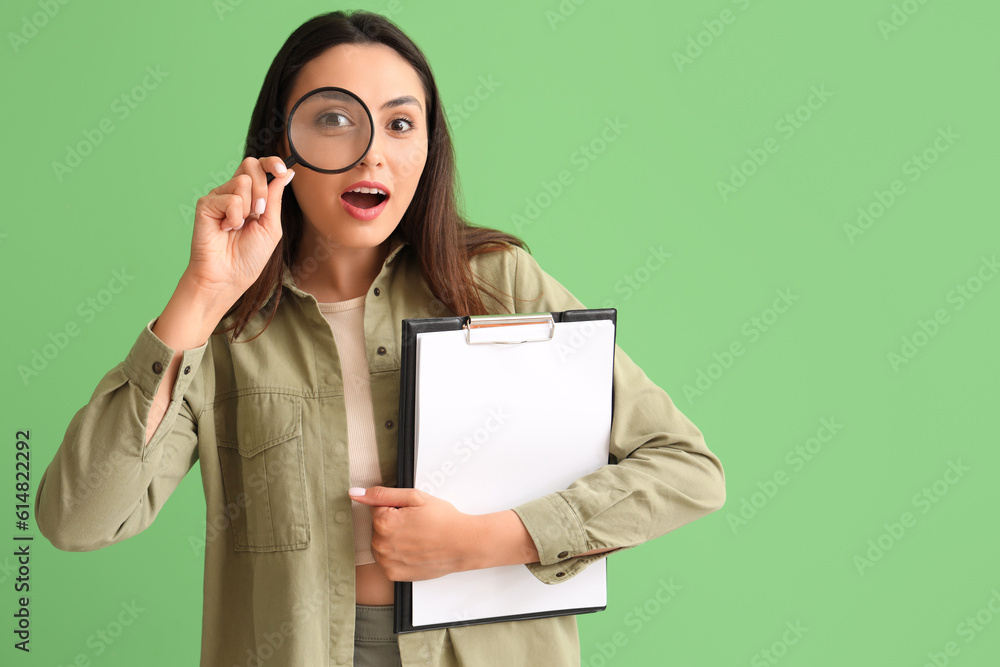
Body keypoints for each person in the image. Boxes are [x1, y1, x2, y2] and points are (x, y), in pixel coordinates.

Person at [34, 9, 726, 667]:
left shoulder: (498, 283)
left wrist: (484, 539)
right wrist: (203, 292)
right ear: (282, 146)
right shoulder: (226, 328)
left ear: (429, 146)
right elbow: (78, 516)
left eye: (400, 123)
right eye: (334, 120)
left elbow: (686, 469)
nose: (373, 155)